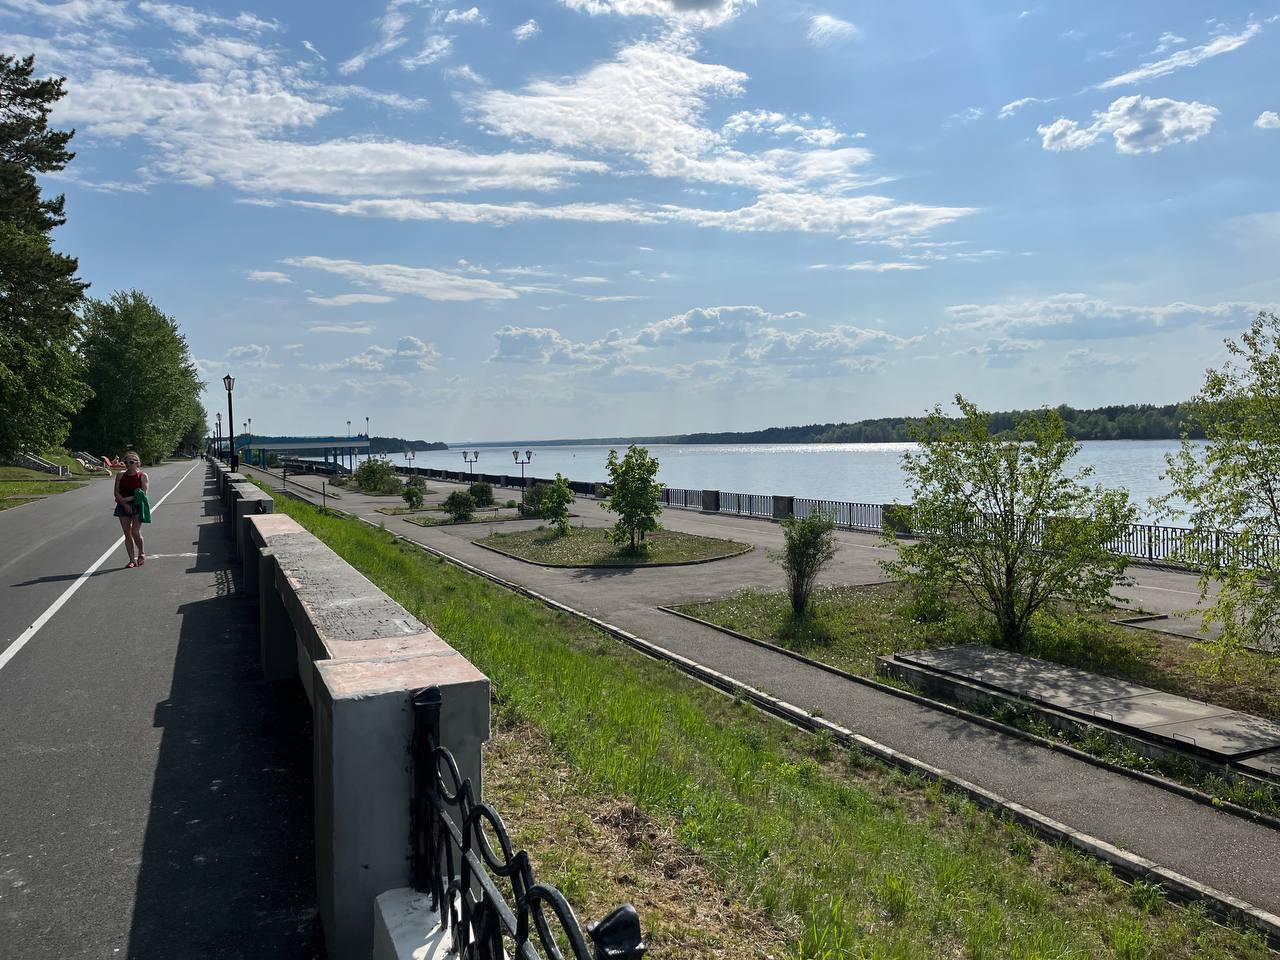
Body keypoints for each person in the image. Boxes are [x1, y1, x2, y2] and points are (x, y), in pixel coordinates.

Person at [113, 451, 149, 568]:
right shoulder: (120, 475)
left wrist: (127, 500)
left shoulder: (142, 476)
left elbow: (143, 494)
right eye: (126, 462)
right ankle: (131, 560)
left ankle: (141, 553)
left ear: (137, 463)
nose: (128, 464)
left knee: (135, 532)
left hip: (137, 505)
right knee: (127, 534)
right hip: (123, 506)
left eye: (131, 462)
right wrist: (124, 504)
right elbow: (116, 492)